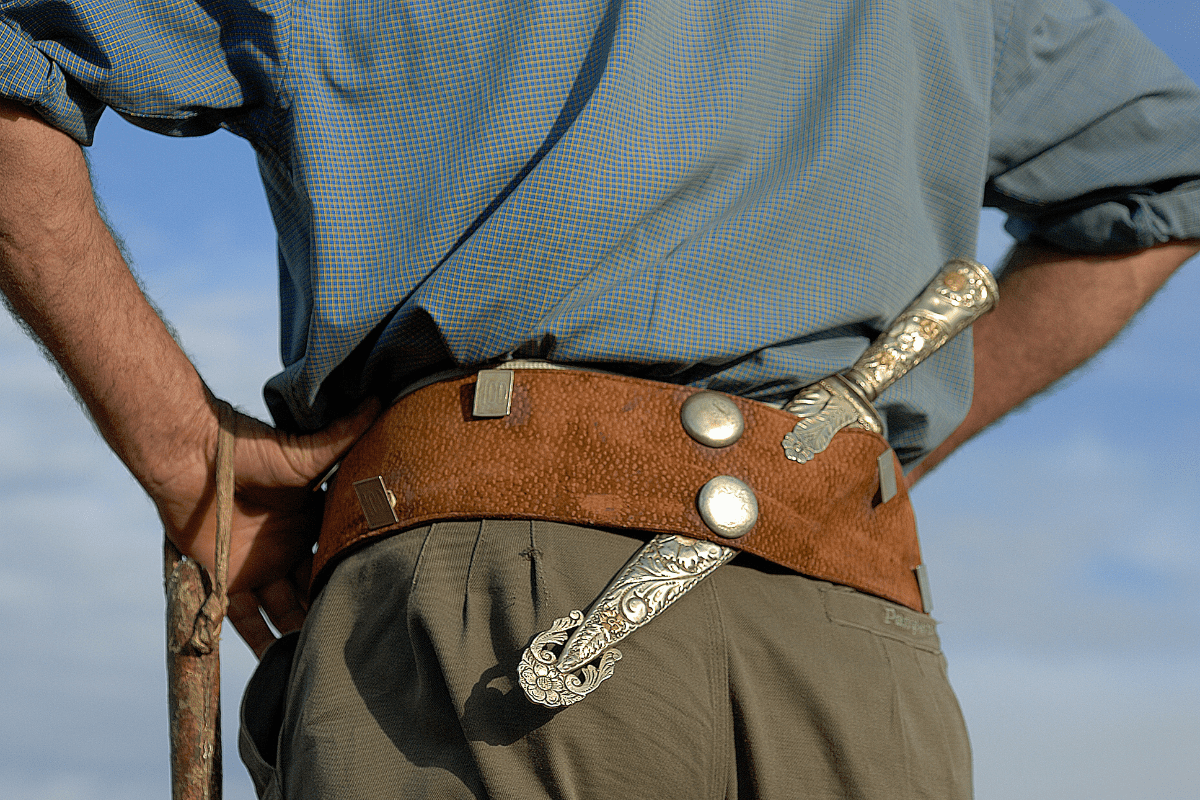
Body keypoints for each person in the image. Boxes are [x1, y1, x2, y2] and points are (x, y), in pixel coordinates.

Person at [2, 0, 1198, 797]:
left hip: (475, 607)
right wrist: (826, 463)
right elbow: (1165, 176)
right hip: (852, 645)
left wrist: (187, 455)